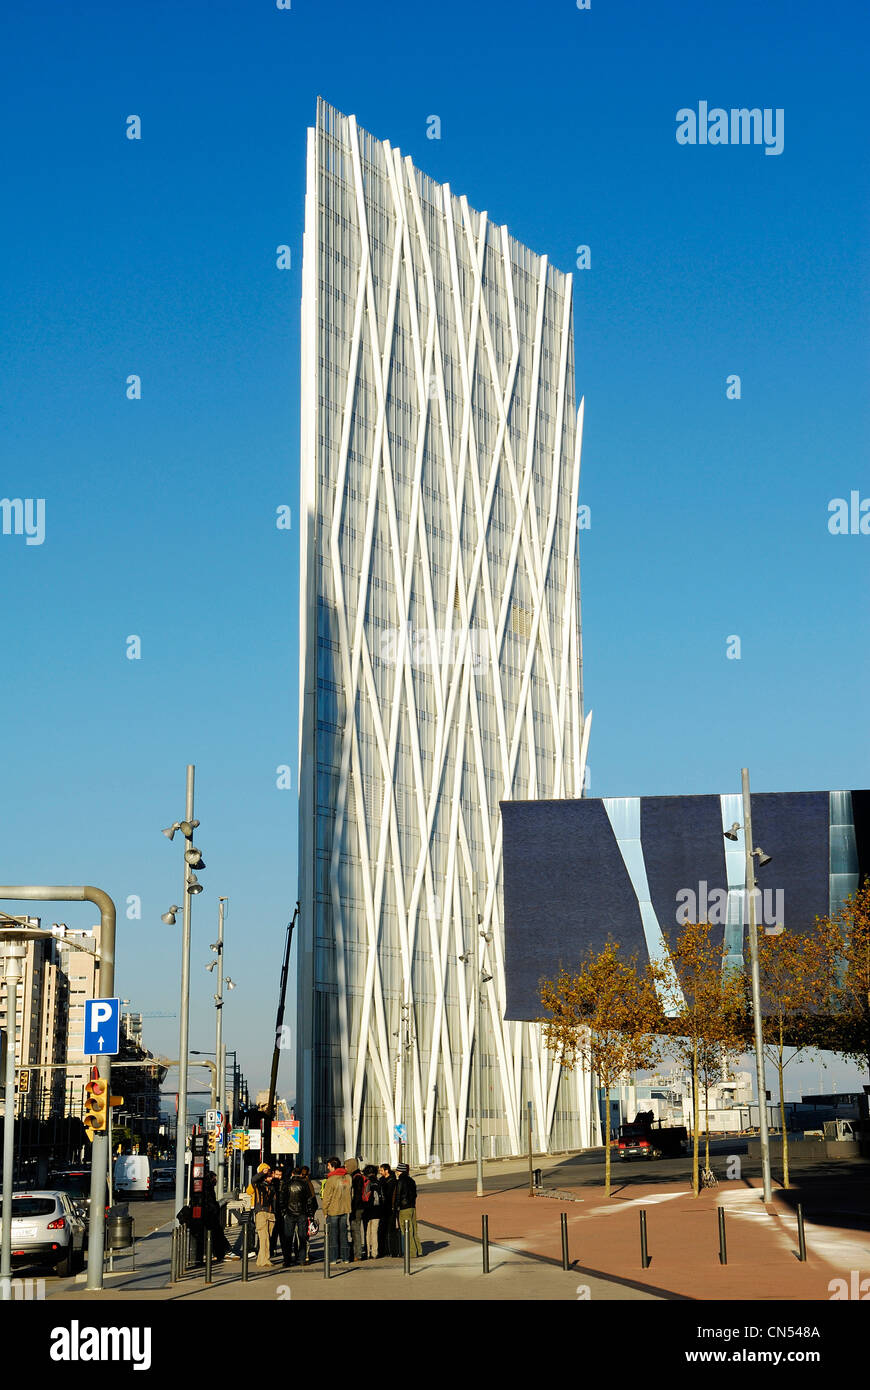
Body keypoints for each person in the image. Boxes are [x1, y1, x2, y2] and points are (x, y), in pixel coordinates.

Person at [280, 1166, 313, 1266]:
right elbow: (309, 1200)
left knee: (288, 1238)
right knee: (302, 1237)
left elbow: (282, 1199)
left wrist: (284, 1211)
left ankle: (287, 1260)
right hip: (302, 1213)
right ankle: (302, 1259)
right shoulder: (304, 1184)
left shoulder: (287, 1184)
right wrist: (310, 1213)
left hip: (290, 1213)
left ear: (292, 1174)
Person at [321, 1156, 351, 1264]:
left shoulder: (331, 1179)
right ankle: (345, 1257)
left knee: (332, 1235)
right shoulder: (348, 1178)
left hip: (333, 1210)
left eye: (328, 1166)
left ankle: (333, 1258)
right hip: (345, 1209)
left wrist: (324, 1210)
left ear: (333, 1166)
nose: (328, 1168)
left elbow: (326, 1197)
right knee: (343, 1234)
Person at [249, 1163, 277, 1268]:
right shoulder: (258, 1185)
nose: (270, 1178)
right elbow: (253, 1180)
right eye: (268, 1176)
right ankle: (265, 1260)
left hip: (271, 1213)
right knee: (263, 1237)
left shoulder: (273, 1186)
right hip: (261, 1212)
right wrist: (262, 1172)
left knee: (267, 1238)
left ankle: (261, 1260)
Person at [395, 1163, 422, 1256]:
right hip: (412, 1207)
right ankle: (419, 1250)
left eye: (397, 1170)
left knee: (406, 1230)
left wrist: (396, 1206)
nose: (396, 1172)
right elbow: (415, 1194)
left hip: (404, 1208)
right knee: (414, 1229)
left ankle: (412, 1252)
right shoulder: (411, 1180)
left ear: (400, 1171)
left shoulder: (400, 1181)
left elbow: (398, 1195)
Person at [345, 1157, 365, 1262]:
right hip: (359, 1207)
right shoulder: (357, 1176)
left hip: (357, 1208)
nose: (345, 1168)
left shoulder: (357, 1178)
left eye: (346, 1166)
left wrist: (352, 1207)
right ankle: (356, 1252)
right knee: (354, 1230)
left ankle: (358, 1254)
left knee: (355, 1230)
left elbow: (357, 1195)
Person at [378, 1162, 399, 1257]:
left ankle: (394, 1251)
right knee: (382, 1230)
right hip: (383, 1208)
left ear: (386, 1170)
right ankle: (384, 1250)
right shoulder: (381, 1180)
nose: (380, 1172)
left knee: (391, 1230)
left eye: (381, 1170)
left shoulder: (393, 1181)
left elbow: (390, 1195)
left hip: (391, 1208)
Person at [361, 1165, 382, 1259]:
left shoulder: (366, 1182)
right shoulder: (379, 1182)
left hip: (366, 1210)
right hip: (377, 1211)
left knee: (367, 1232)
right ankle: (375, 1252)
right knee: (374, 1232)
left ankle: (367, 1252)